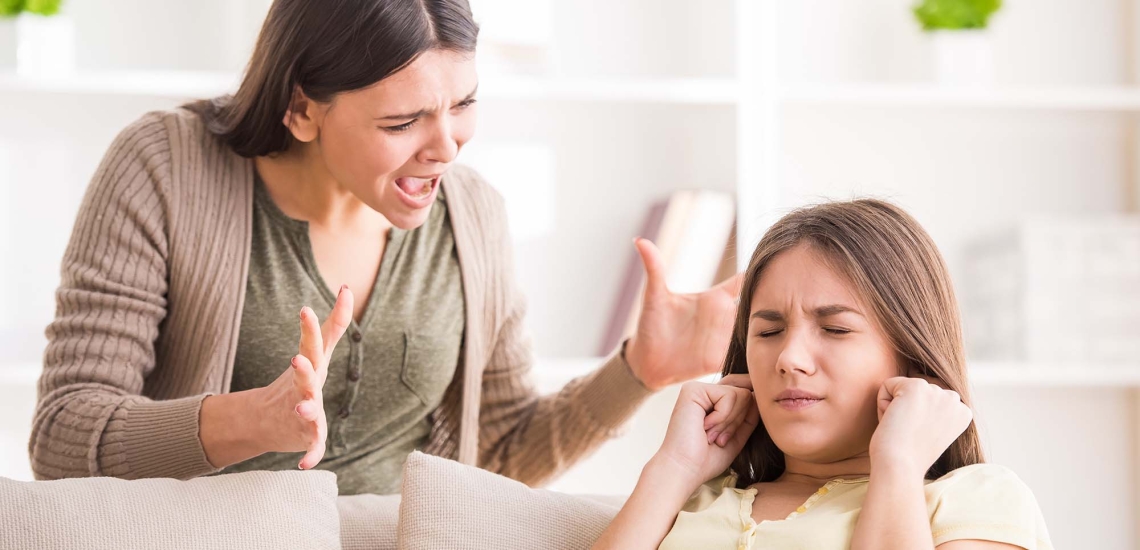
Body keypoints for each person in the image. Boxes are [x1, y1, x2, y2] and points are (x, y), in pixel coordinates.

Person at [28, 0, 740, 496]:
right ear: (302, 108)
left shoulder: (474, 217)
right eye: (403, 121)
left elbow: (494, 457)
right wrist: (251, 421)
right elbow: (63, 440)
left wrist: (637, 372)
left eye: (463, 105)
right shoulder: (165, 168)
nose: (447, 147)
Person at [595, 199, 1052, 549]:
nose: (789, 358)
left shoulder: (977, 500)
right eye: (769, 330)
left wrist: (897, 465)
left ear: (910, 356)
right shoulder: (689, 500)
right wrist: (675, 469)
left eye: (834, 329)